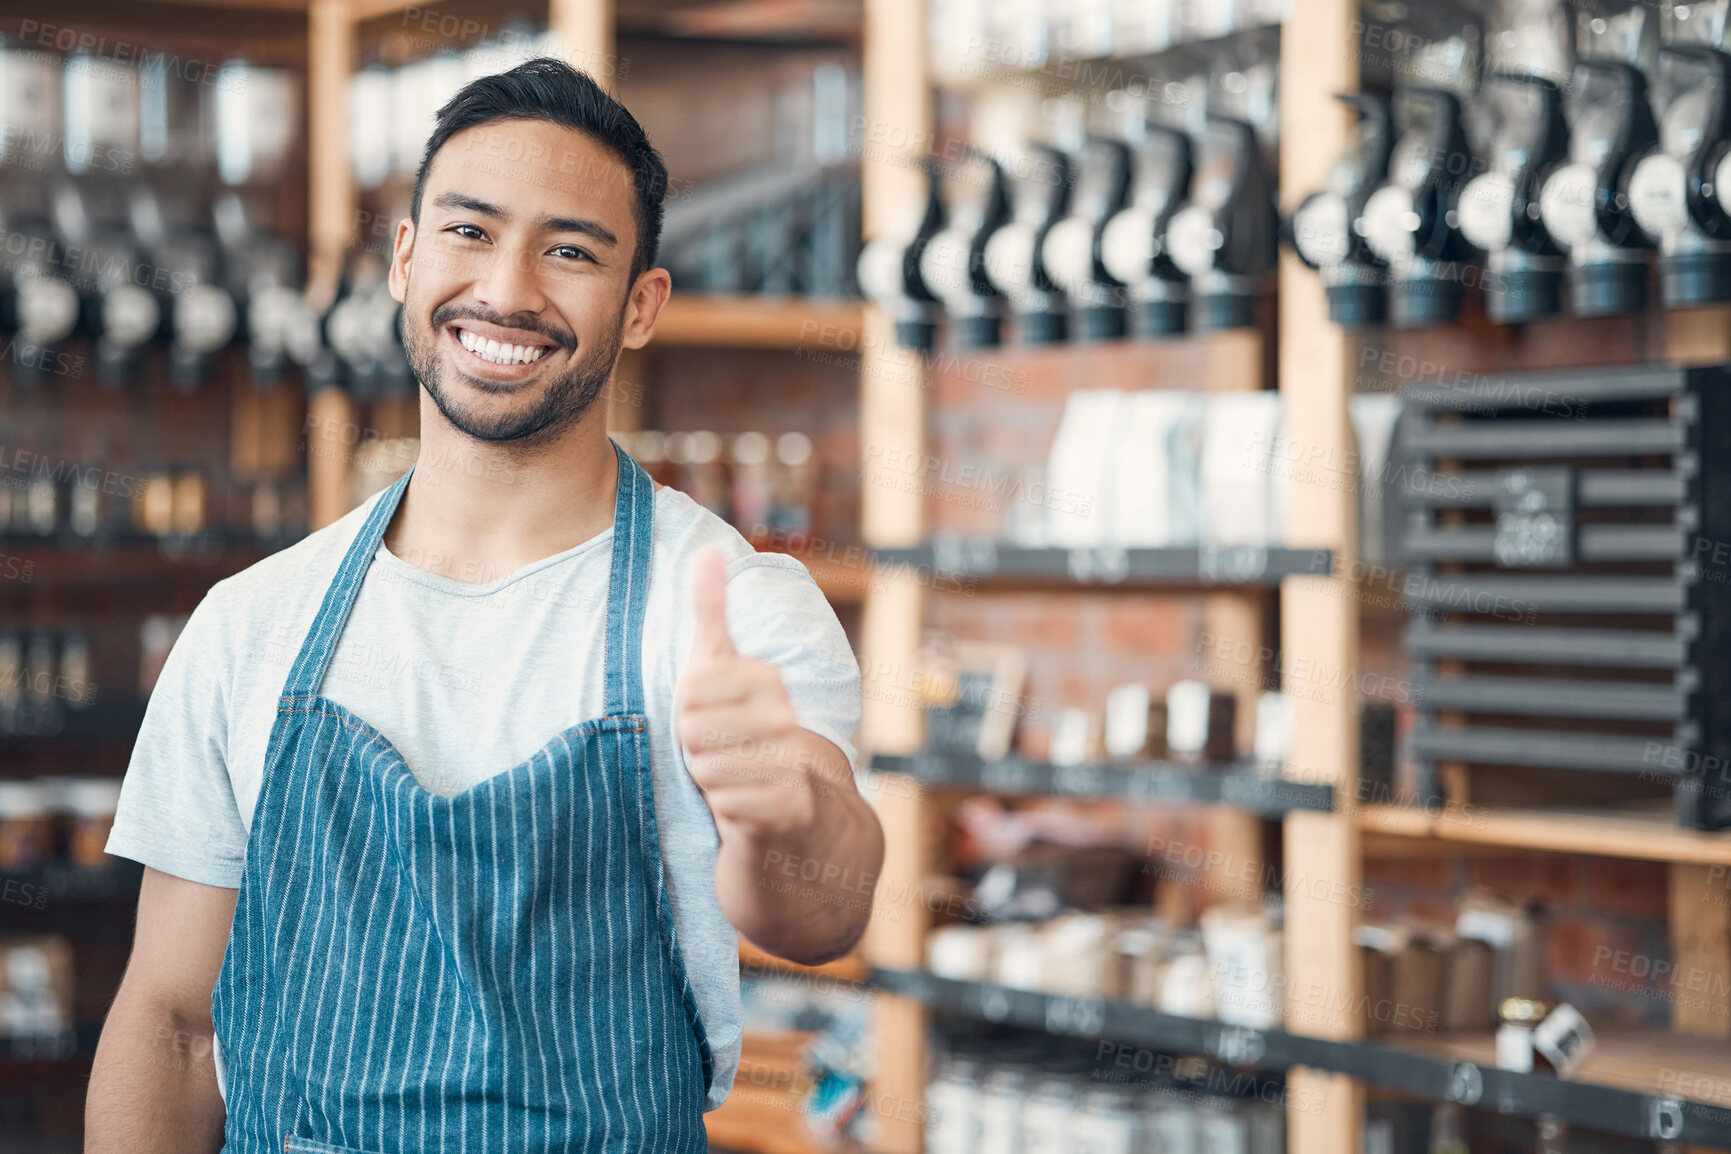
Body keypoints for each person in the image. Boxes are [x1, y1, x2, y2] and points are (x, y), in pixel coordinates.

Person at [86, 57, 883, 1153]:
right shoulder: (252, 621)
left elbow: (822, 909)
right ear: (405, 260)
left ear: (642, 303)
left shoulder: (728, 607)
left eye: (569, 250)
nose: (507, 290)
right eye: (468, 231)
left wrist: (780, 811)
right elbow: (172, 1024)